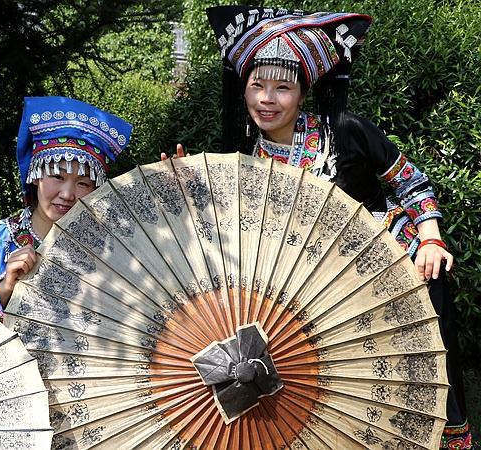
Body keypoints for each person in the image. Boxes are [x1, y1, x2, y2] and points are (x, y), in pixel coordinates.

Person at [195, 6, 470, 448]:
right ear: (243, 89)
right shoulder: (245, 161)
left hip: (398, 268)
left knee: (429, 364)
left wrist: (431, 240)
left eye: (282, 87)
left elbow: (412, 183)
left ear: (303, 93)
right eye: (257, 85)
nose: (267, 99)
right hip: (321, 292)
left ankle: (449, 438)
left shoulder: (346, 131)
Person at [0, 96, 132, 318]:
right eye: (58, 177)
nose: (67, 194)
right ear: (36, 175)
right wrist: (5, 288)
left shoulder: (111, 251)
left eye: (83, 183)